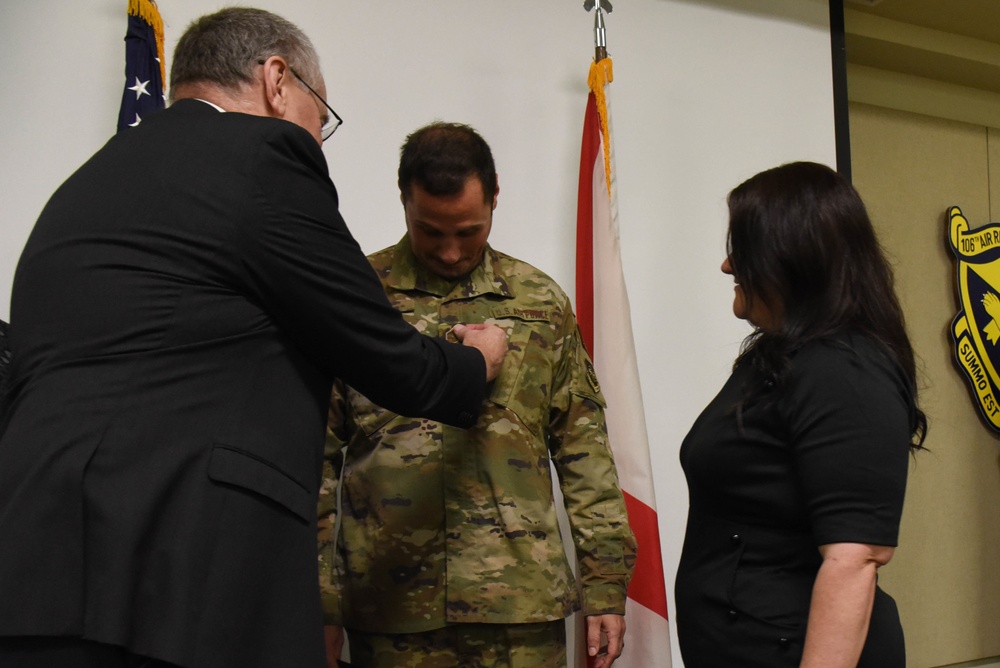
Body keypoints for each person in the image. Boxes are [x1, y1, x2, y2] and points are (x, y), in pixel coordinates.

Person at [0, 9, 507, 668]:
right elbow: (388, 355)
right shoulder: (263, 156)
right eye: (319, 118)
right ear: (277, 80)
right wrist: (475, 361)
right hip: (180, 580)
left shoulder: (82, 189)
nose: (317, 142)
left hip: (33, 576)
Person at [318, 122, 636, 668]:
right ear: (404, 202)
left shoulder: (540, 304)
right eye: (430, 231)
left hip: (520, 606)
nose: (448, 251)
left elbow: (585, 453)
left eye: (468, 231)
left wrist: (605, 583)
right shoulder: (357, 297)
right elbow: (315, 458)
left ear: (494, 197)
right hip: (391, 605)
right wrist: (318, 602)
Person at [674, 161, 926, 667]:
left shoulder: (846, 368)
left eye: (743, 248)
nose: (728, 265)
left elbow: (855, 558)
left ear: (790, 257)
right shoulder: (781, 356)